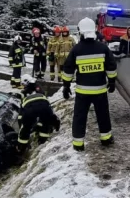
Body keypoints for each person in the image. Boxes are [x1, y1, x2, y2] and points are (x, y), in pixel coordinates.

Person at [61, 17, 118, 151]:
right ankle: (106, 139)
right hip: (100, 91)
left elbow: (68, 69)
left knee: (79, 117)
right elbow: (111, 66)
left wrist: (66, 86)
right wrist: (112, 81)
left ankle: (78, 144)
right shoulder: (103, 48)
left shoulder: (76, 50)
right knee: (103, 115)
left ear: (80, 31)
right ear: (94, 30)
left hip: (82, 92)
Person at [15, 81, 61, 153]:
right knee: (46, 123)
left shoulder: (24, 99)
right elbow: (50, 112)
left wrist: (23, 125)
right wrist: (55, 122)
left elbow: (21, 117)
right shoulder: (41, 93)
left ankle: (22, 148)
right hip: (44, 105)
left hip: (30, 109)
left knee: (26, 128)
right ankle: (42, 141)